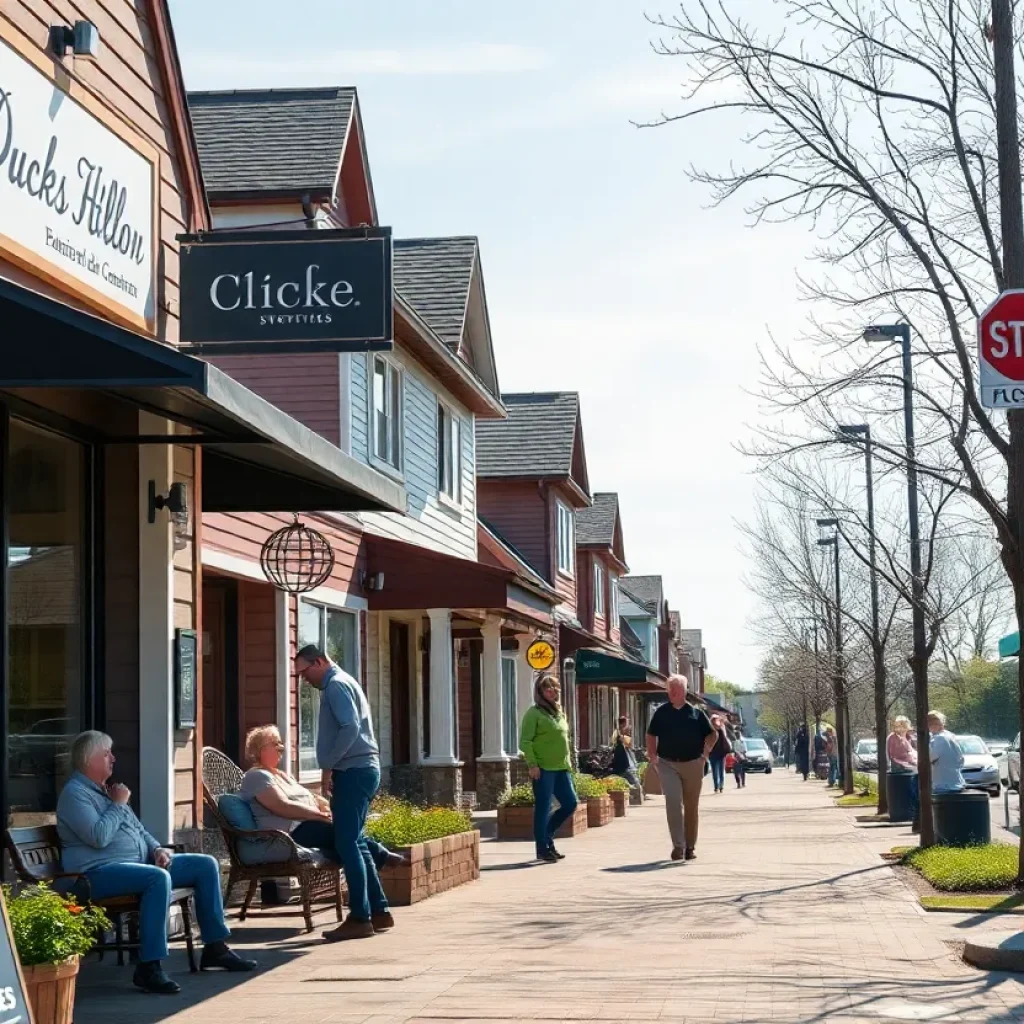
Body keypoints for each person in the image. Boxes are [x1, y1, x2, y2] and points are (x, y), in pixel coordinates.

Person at [56, 731, 257, 995]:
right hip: (93, 875)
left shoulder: (106, 792)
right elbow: (98, 837)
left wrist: (158, 849)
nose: (113, 758)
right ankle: (149, 966)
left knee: (205, 864)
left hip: (136, 866)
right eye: (106, 753)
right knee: (156, 878)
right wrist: (117, 805)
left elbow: (140, 831)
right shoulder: (76, 794)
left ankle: (215, 949)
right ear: (88, 759)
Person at [295, 643, 391, 942]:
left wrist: (328, 763)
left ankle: (360, 917)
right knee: (357, 842)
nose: (304, 680)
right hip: (359, 770)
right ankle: (379, 910)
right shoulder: (345, 682)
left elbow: (349, 727)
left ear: (320, 661)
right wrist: (330, 769)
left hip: (354, 771)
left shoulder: (336, 685)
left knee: (346, 843)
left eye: (305, 671)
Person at [239, 724, 405, 873]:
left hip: (308, 826)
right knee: (346, 835)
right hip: (289, 834)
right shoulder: (256, 776)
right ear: (260, 750)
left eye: (280, 743)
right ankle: (382, 857)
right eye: (275, 744)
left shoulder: (283, 775)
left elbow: (312, 797)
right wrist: (318, 815)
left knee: (348, 833)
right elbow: (282, 805)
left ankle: (377, 864)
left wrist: (324, 807)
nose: (281, 748)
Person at [645, 674, 717, 861]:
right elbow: (651, 734)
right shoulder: (661, 712)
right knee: (673, 803)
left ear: (684, 692)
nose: (673, 693)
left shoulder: (696, 713)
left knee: (691, 807)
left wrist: (705, 754)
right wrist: (652, 755)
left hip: (693, 763)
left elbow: (712, 735)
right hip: (668, 763)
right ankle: (678, 846)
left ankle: (690, 847)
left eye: (676, 690)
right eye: (670, 690)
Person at [520, 674, 579, 863]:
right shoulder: (534, 713)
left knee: (570, 803)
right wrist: (533, 764)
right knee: (543, 808)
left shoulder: (559, 713)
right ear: (540, 692)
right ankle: (542, 849)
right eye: (547, 688)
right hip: (543, 769)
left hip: (562, 768)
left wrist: (569, 764)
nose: (552, 691)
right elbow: (525, 741)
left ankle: (547, 836)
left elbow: (564, 741)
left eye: (554, 688)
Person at [887, 715, 920, 830]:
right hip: (901, 769)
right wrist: (906, 764)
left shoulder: (909, 737)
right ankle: (914, 819)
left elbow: (913, 752)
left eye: (905, 726)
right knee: (912, 793)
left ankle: (915, 818)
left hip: (913, 768)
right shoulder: (893, 738)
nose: (903, 728)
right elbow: (893, 756)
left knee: (915, 794)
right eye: (900, 726)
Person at [928, 711, 965, 793]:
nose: (928, 727)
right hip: (956, 782)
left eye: (930, 724)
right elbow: (961, 760)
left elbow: (930, 757)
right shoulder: (951, 735)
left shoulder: (939, 738)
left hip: (943, 784)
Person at [610, 716, 641, 789]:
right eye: (627, 724)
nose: (628, 726)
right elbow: (625, 744)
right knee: (635, 784)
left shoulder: (622, 735)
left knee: (633, 782)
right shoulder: (617, 735)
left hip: (626, 764)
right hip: (622, 765)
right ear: (622, 725)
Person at [707, 716, 730, 793]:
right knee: (719, 771)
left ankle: (718, 786)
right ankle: (719, 786)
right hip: (716, 753)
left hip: (717, 753)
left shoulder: (713, 730)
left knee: (717, 771)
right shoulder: (718, 730)